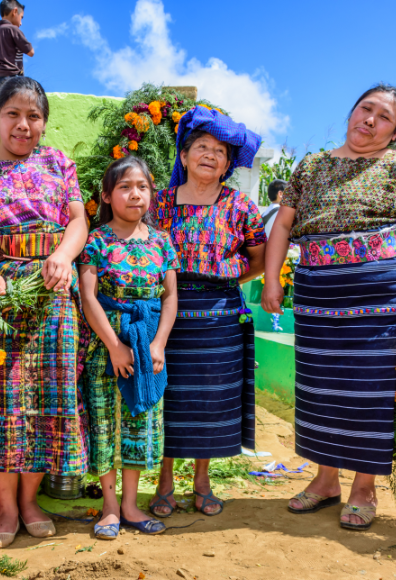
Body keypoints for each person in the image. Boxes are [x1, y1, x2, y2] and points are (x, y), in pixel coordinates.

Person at [261, 84, 396, 531]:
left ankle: (364, 487)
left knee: (370, 391)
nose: (370, 120)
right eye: (365, 109)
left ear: (395, 131)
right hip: (317, 295)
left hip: (380, 296)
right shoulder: (312, 165)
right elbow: (283, 226)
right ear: (351, 111)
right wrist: (272, 279)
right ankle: (325, 480)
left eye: (383, 117)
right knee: (319, 387)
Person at [0, 76, 88, 549]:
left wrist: (64, 256)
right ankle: (6, 511)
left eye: (33, 116)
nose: (23, 125)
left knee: (48, 398)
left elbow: (77, 222)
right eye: (13, 114)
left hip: (52, 294)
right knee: (2, 401)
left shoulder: (60, 164)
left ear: (44, 123)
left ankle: (30, 502)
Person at [149, 107, 266, 518]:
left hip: (220, 318)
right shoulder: (158, 204)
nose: (210, 156)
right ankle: (165, 481)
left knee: (210, 401)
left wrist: (226, 278)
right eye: (201, 147)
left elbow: (260, 259)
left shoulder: (240, 207)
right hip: (165, 314)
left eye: (220, 151)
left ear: (229, 164)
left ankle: (202, 481)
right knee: (168, 399)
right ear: (183, 156)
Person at [78, 156, 179, 540]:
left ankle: (132, 504)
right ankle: (109, 507)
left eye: (142, 186)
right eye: (124, 187)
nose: (135, 193)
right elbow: (89, 298)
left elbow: (170, 298)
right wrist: (115, 346)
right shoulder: (97, 241)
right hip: (108, 344)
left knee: (140, 422)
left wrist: (158, 345)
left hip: (148, 341)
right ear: (107, 196)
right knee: (105, 423)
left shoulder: (161, 242)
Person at [0, 0, 34, 91]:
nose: (21, 23)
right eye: (21, 17)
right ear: (14, 12)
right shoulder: (13, 29)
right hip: (12, 78)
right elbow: (31, 52)